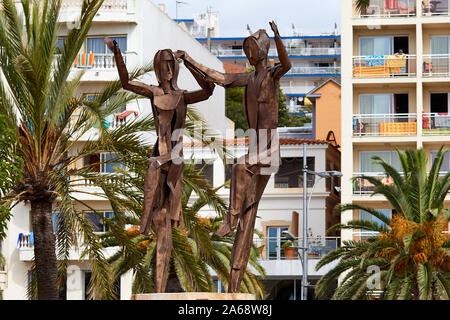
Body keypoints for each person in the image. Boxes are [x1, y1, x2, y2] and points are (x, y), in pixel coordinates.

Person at [176, 21, 291, 293]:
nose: (249, 54)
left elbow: (287, 65)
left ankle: (230, 216)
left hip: (269, 149)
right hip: (256, 149)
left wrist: (277, 37)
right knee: (248, 221)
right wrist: (189, 60)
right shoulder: (249, 79)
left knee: (240, 166)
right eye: (247, 50)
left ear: (262, 50)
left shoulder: (273, 74)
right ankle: (234, 285)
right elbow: (219, 78)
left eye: (252, 49)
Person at [105, 37, 215, 293]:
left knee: (154, 166)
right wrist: (118, 54)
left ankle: (143, 222)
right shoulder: (153, 93)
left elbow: (209, 90)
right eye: (161, 64)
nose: (165, 69)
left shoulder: (182, 97)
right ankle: (159, 283)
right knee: (162, 219)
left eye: (169, 64)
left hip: (174, 155)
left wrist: (188, 61)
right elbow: (126, 82)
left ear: (173, 69)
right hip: (159, 149)